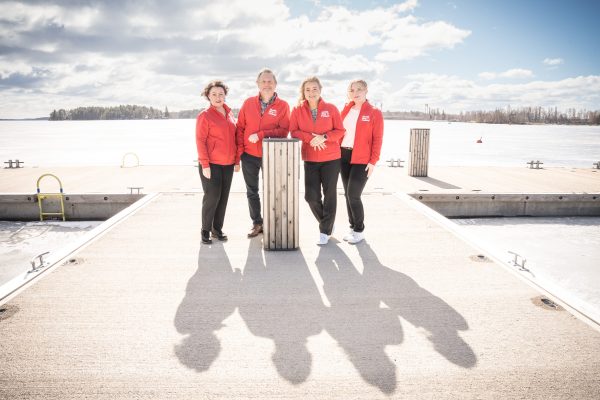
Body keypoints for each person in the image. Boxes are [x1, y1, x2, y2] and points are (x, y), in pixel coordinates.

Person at [290, 76, 345, 245]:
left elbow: (340, 131)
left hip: (331, 158)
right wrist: (311, 139)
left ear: (320, 90)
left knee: (329, 194)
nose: (311, 92)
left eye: (314, 89)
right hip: (310, 158)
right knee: (311, 196)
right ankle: (327, 223)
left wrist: (324, 137)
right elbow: (294, 131)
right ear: (303, 92)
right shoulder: (297, 110)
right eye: (307, 89)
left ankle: (324, 231)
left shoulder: (331, 108)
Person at [236, 68, 290, 238]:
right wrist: (239, 154)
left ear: (275, 84)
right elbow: (240, 128)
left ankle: (273, 223)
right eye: (263, 81)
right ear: (258, 84)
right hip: (249, 155)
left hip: (271, 154)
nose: (267, 84)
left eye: (270, 81)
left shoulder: (283, 106)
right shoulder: (248, 103)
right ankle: (257, 223)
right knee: (252, 191)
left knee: (273, 190)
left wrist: (261, 135)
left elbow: (284, 131)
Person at [339, 79, 384, 244]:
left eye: (359, 89)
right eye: (351, 90)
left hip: (362, 159)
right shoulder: (346, 110)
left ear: (366, 91)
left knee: (354, 194)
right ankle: (352, 227)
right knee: (347, 194)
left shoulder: (374, 112)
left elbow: (377, 139)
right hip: (343, 156)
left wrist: (373, 161)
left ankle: (359, 230)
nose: (355, 93)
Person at [195, 80, 240, 244]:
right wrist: (205, 164)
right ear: (208, 96)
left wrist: (237, 161)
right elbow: (200, 141)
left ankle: (217, 229)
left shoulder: (230, 114)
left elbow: (235, 139)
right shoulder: (205, 115)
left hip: (228, 164)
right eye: (214, 94)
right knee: (212, 197)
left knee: (223, 198)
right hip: (211, 164)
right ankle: (205, 230)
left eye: (221, 94)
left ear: (225, 95)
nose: (218, 97)